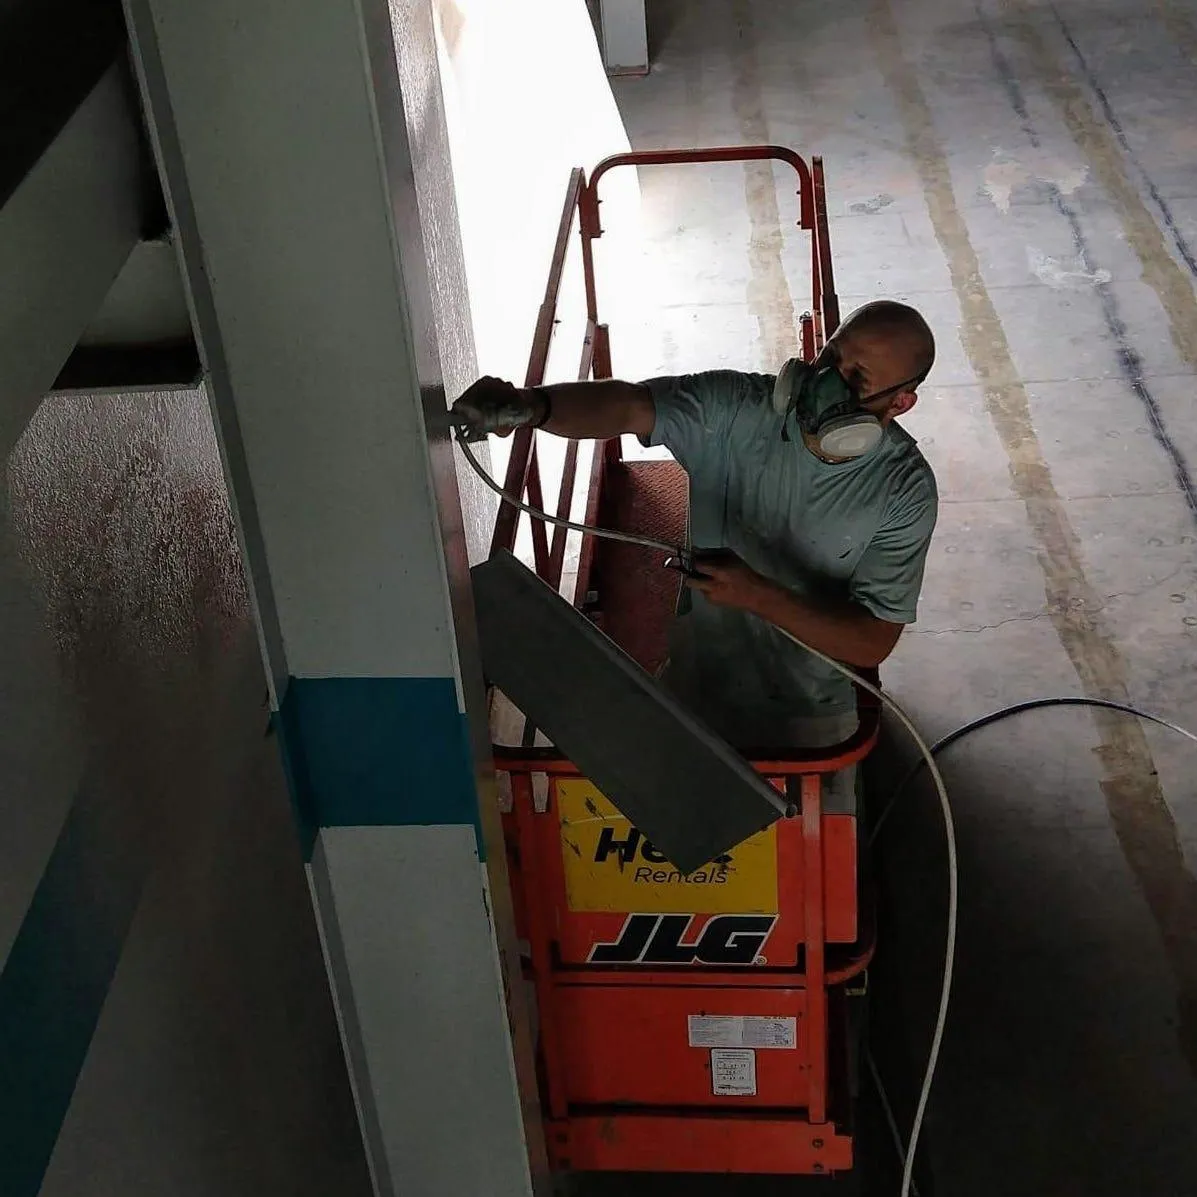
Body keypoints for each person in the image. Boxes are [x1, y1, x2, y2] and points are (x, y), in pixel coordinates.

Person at [451, 300, 938, 809]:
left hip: (811, 713)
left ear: (900, 402)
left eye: (856, 379)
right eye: (832, 356)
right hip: (696, 685)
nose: (826, 381)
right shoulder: (736, 409)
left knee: (801, 872)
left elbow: (871, 641)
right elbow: (629, 405)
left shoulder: (903, 490)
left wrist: (757, 596)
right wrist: (532, 406)